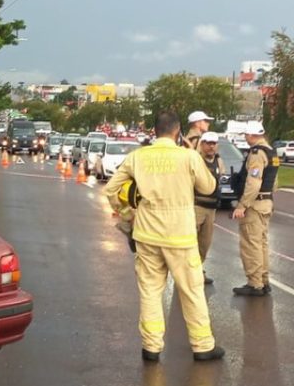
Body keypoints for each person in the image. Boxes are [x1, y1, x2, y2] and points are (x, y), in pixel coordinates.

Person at [105, 111, 224, 362]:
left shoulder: (137, 157)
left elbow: (111, 189)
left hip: (147, 234)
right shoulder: (189, 156)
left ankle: (151, 347)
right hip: (180, 235)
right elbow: (209, 187)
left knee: (149, 291)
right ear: (177, 131)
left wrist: (128, 214)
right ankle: (202, 346)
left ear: (155, 131)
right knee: (191, 291)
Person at [231, 123, 279, 296]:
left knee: (251, 244)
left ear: (251, 135)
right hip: (266, 203)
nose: (245, 137)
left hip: (255, 205)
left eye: (246, 134)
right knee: (262, 244)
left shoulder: (257, 154)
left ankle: (254, 283)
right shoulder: (271, 152)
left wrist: (242, 205)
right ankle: (264, 280)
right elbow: (274, 182)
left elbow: (253, 182)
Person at [193, 131, 225, 284]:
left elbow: (221, 179)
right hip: (196, 206)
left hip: (211, 208)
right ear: (202, 144)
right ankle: (190, 274)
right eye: (208, 143)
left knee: (204, 244)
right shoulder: (195, 159)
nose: (211, 146)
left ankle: (198, 269)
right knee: (191, 242)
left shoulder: (219, 161)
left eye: (214, 143)